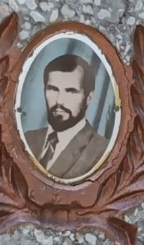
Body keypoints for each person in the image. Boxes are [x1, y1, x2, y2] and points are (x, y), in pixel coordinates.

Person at [28, 53, 110, 181]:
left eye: (71, 91)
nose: (59, 101)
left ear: (88, 98)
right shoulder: (28, 138)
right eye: (53, 89)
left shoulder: (103, 152)